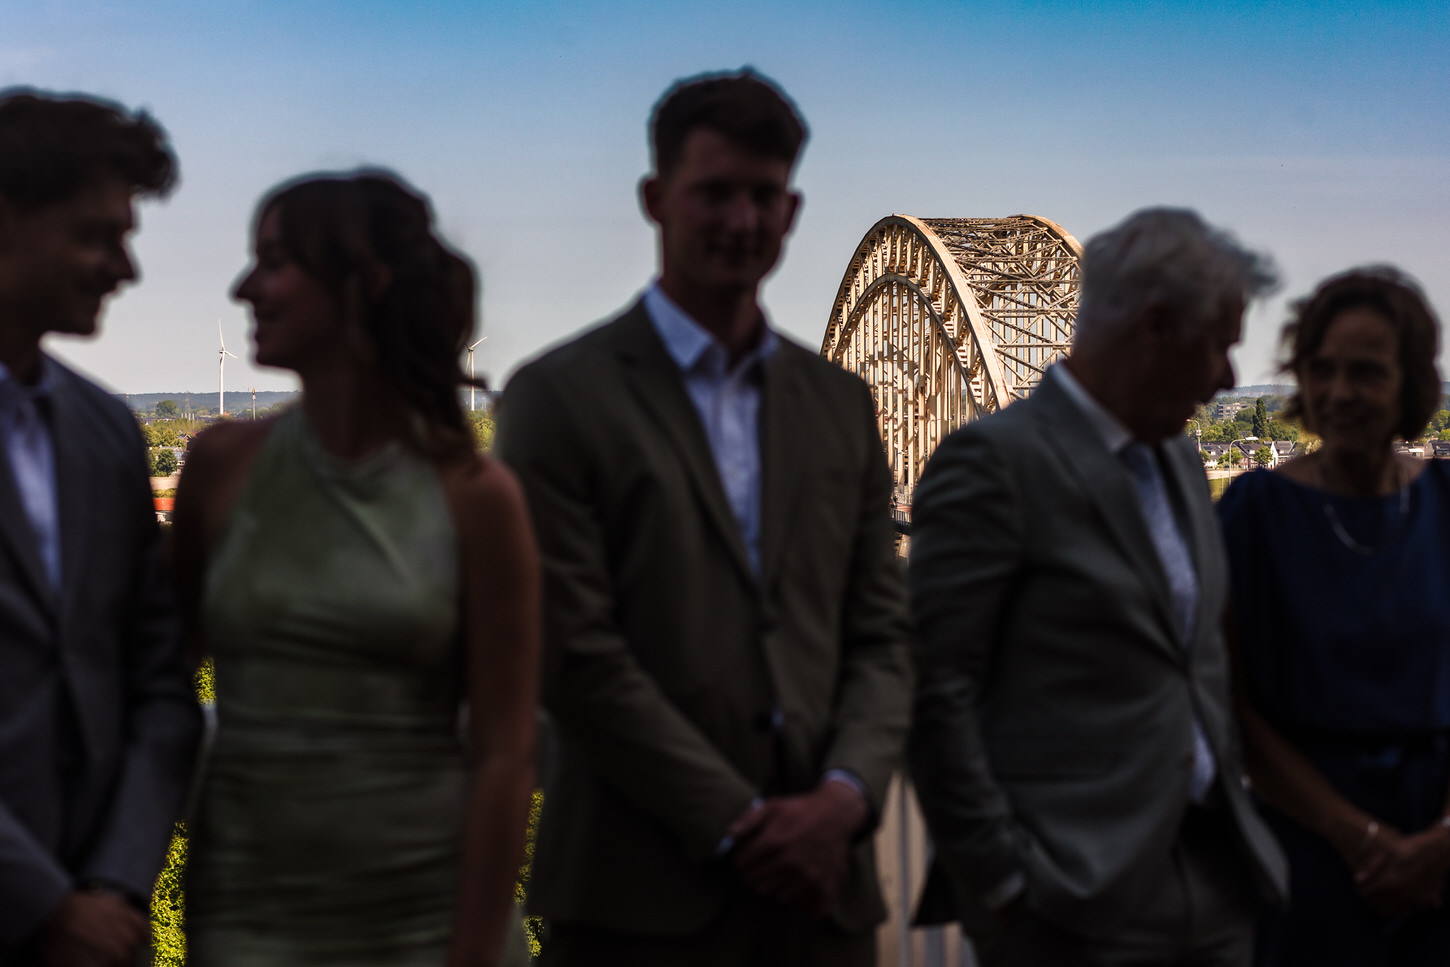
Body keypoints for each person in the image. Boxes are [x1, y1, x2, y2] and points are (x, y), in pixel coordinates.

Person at [494, 69, 912, 966]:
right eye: (713, 192)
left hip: (823, 900)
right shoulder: (557, 397)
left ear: (793, 211)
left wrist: (843, 797)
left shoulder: (840, 403)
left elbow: (883, 635)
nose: (742, 221)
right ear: (655, 198)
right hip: (636, 896)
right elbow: (574, 653)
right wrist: (742, 823)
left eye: (765, 196)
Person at [173, 171, 539, 966]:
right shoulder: (219, 465)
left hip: (427, 916)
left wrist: (469, 953)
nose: (245, 287)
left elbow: (506, 753)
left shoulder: (475, 495)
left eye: (274, 261)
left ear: (364, 283)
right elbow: (158, 683)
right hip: (245, 907)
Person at [908, 208, 1289, 966]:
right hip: (1073, 899)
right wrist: (1005, 880)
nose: (1229, 379)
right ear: (1154, 327)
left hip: (1212, 874)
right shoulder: (994, 463)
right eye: (1218, 345)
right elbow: (930, 686)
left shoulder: (1179, 459)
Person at [0, 89, 202, 967]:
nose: (125, 270)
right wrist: (40, 902)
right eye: (97, 234)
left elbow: (159, 678)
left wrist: (116, 883)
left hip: (99, 926)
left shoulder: (106, 431)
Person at [1219, 267, 1450, 965]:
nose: (1339, 392)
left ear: (1409, 384)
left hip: (1439, 849)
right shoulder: (1255, 512)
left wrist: (1441, 839)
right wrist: (1366, 842)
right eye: (1321, 370)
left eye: (1366, 372)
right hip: (1310, 846)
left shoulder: (1444, 500)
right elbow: (1230, 704)